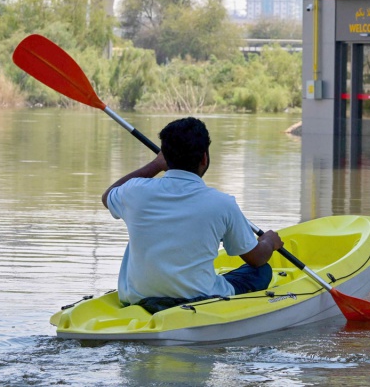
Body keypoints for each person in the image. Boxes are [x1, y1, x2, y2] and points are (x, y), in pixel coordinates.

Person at [101, 117, 284, 308]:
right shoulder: (222, 204)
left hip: (138, 297)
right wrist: (269, 242)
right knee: (262, 271)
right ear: (204, 158)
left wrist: (156, 164)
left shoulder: (134, 191)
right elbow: (256, 258)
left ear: (165, 157)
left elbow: (107, 197)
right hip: (199, 298)